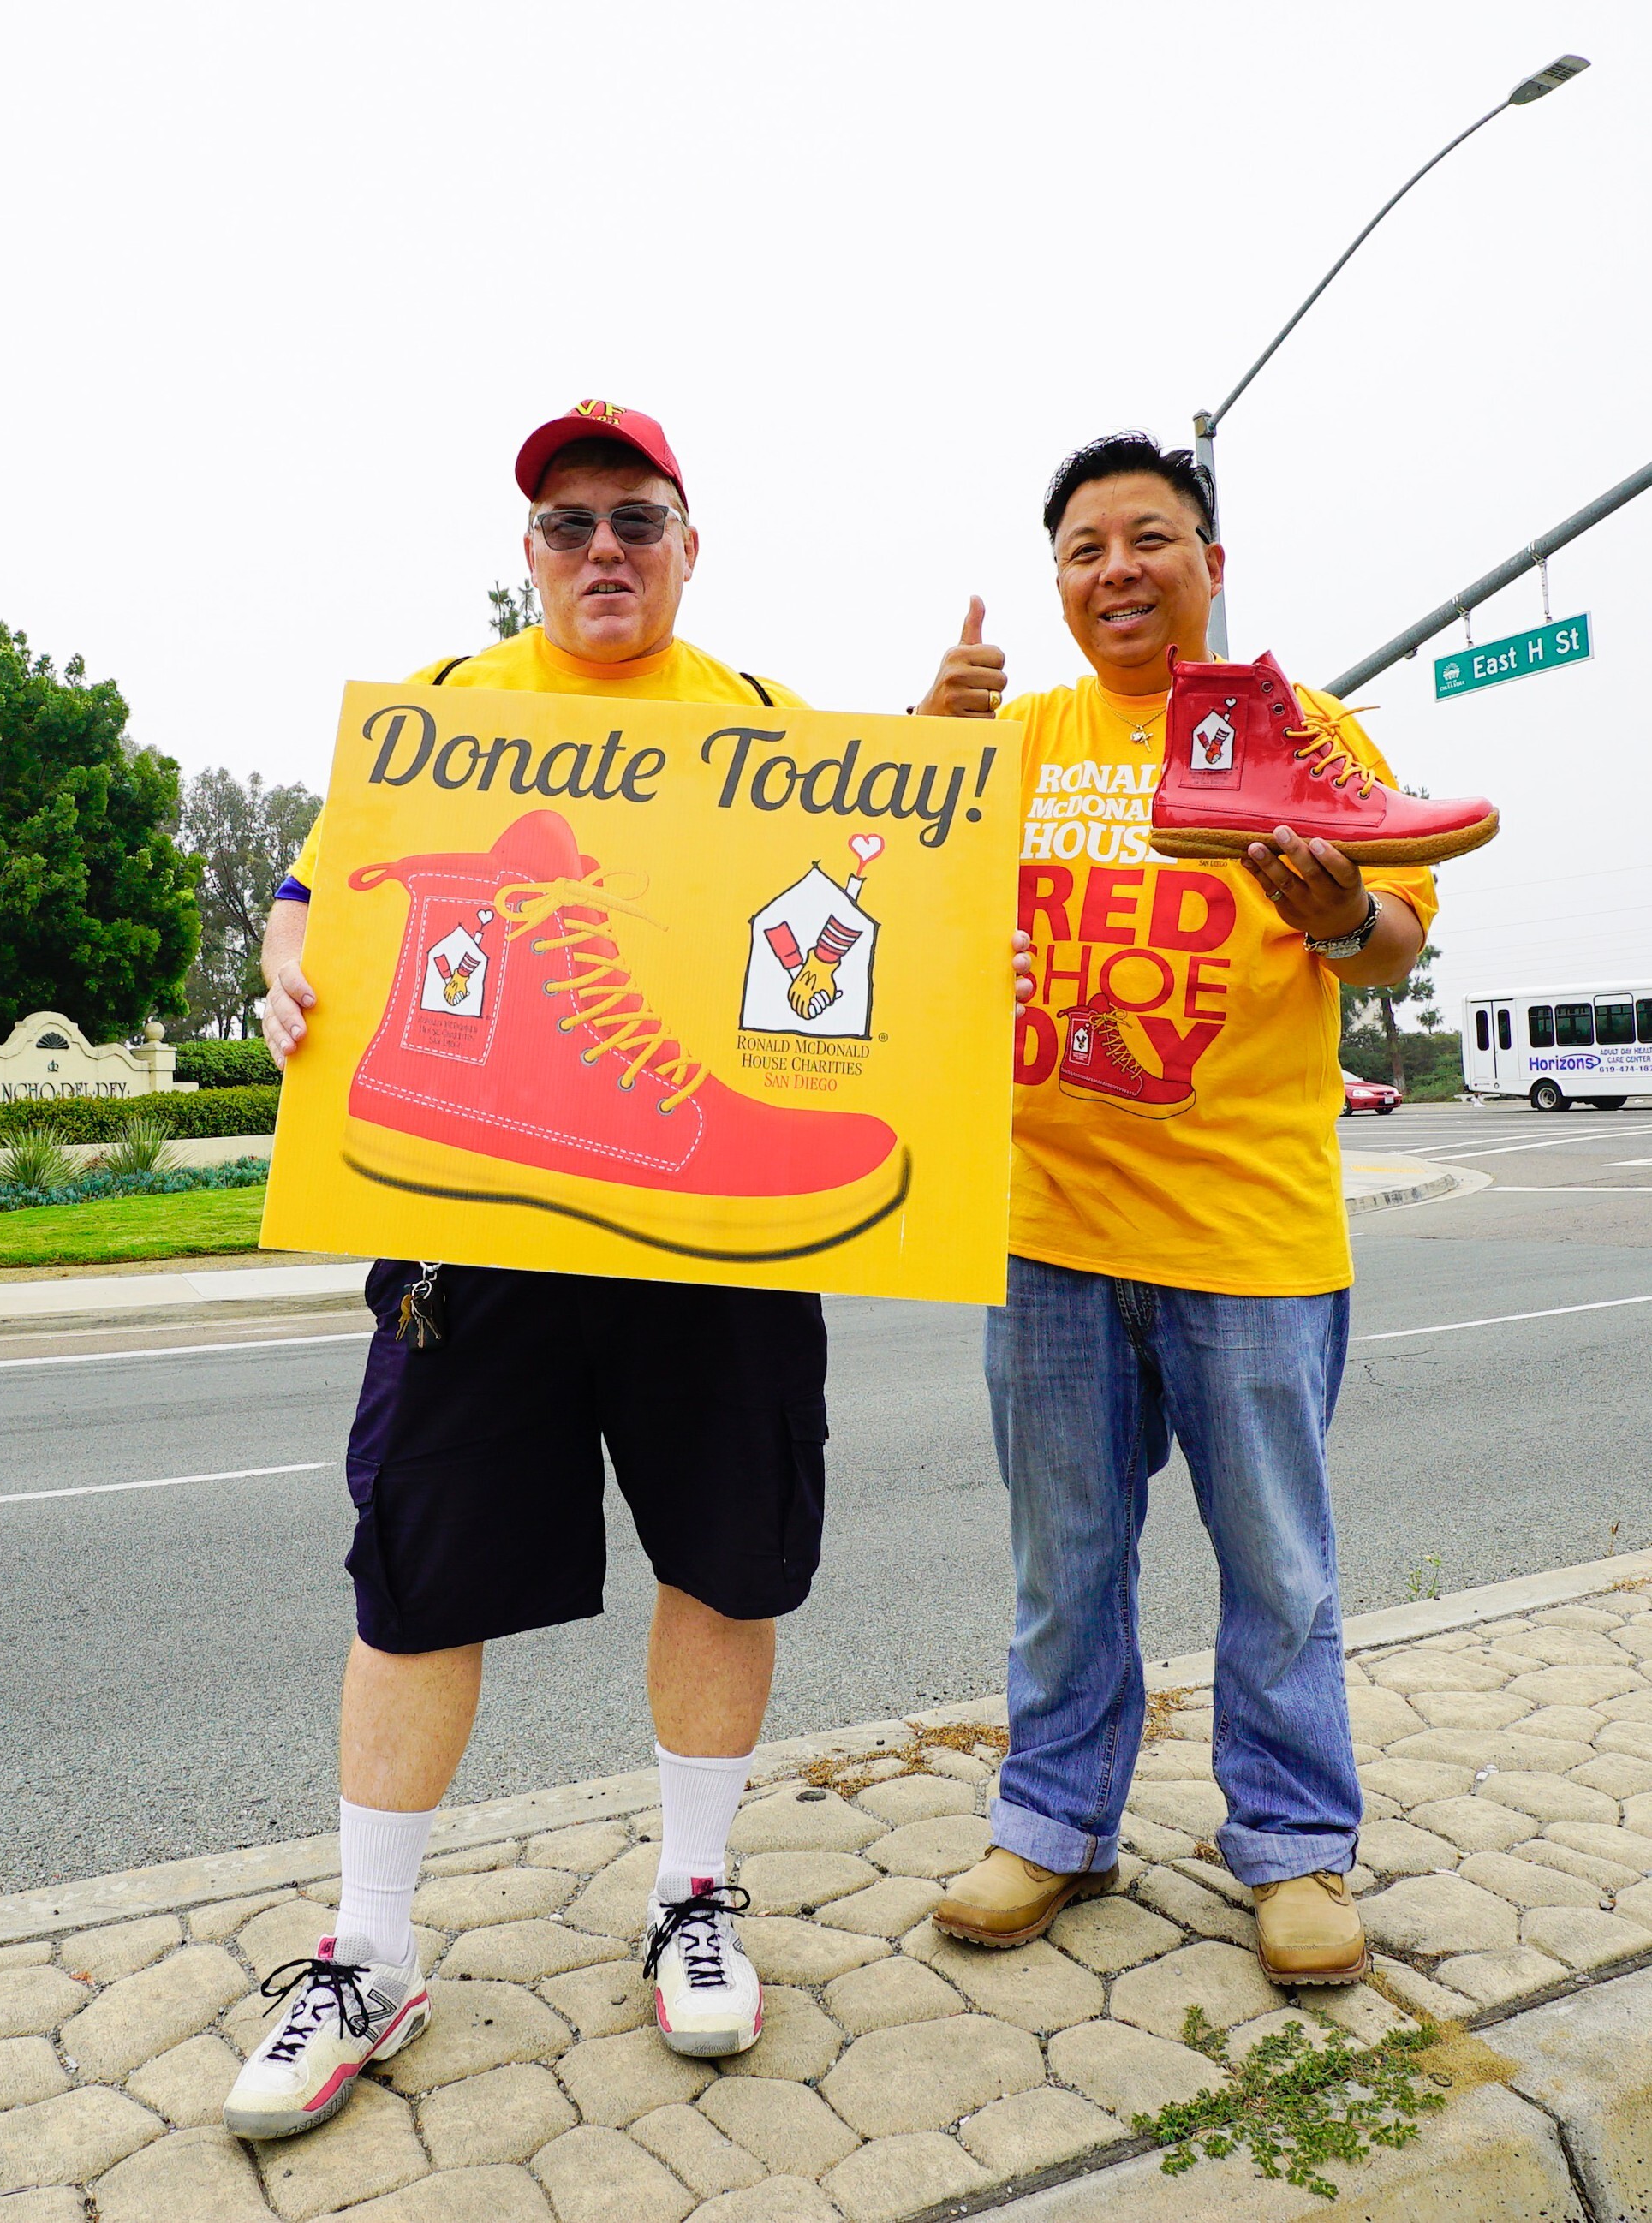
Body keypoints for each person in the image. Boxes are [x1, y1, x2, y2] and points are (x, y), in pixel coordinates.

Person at [224, 402, 821, 2141]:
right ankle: (372, 1945)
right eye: (566, 524)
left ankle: (694, 1893)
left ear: (691, 542)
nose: (602, 548)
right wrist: (289, 971)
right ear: (526, 554)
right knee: (418, 1574)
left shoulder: (767, 726)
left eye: (635, 515)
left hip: (708, 1222)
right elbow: (301, 891)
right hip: (475, 1231)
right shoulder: (444, 714)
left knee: (729, 1549)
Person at [917, 432, 1436, 1984]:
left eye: (1149, 537)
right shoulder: (1012, 741)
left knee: (1277, 1567)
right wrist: (913, 751)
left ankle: (1292, 1850)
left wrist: (1338, 910)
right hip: (1049, 1231)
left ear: (1211, 561)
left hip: (1248, 1237)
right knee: (1062, 1559)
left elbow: (1394, 934)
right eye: (1083, 548)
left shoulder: (1301, 728)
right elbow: (874, 900)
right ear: (1058, 584)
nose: (1116, 569)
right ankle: (1051, 1827)